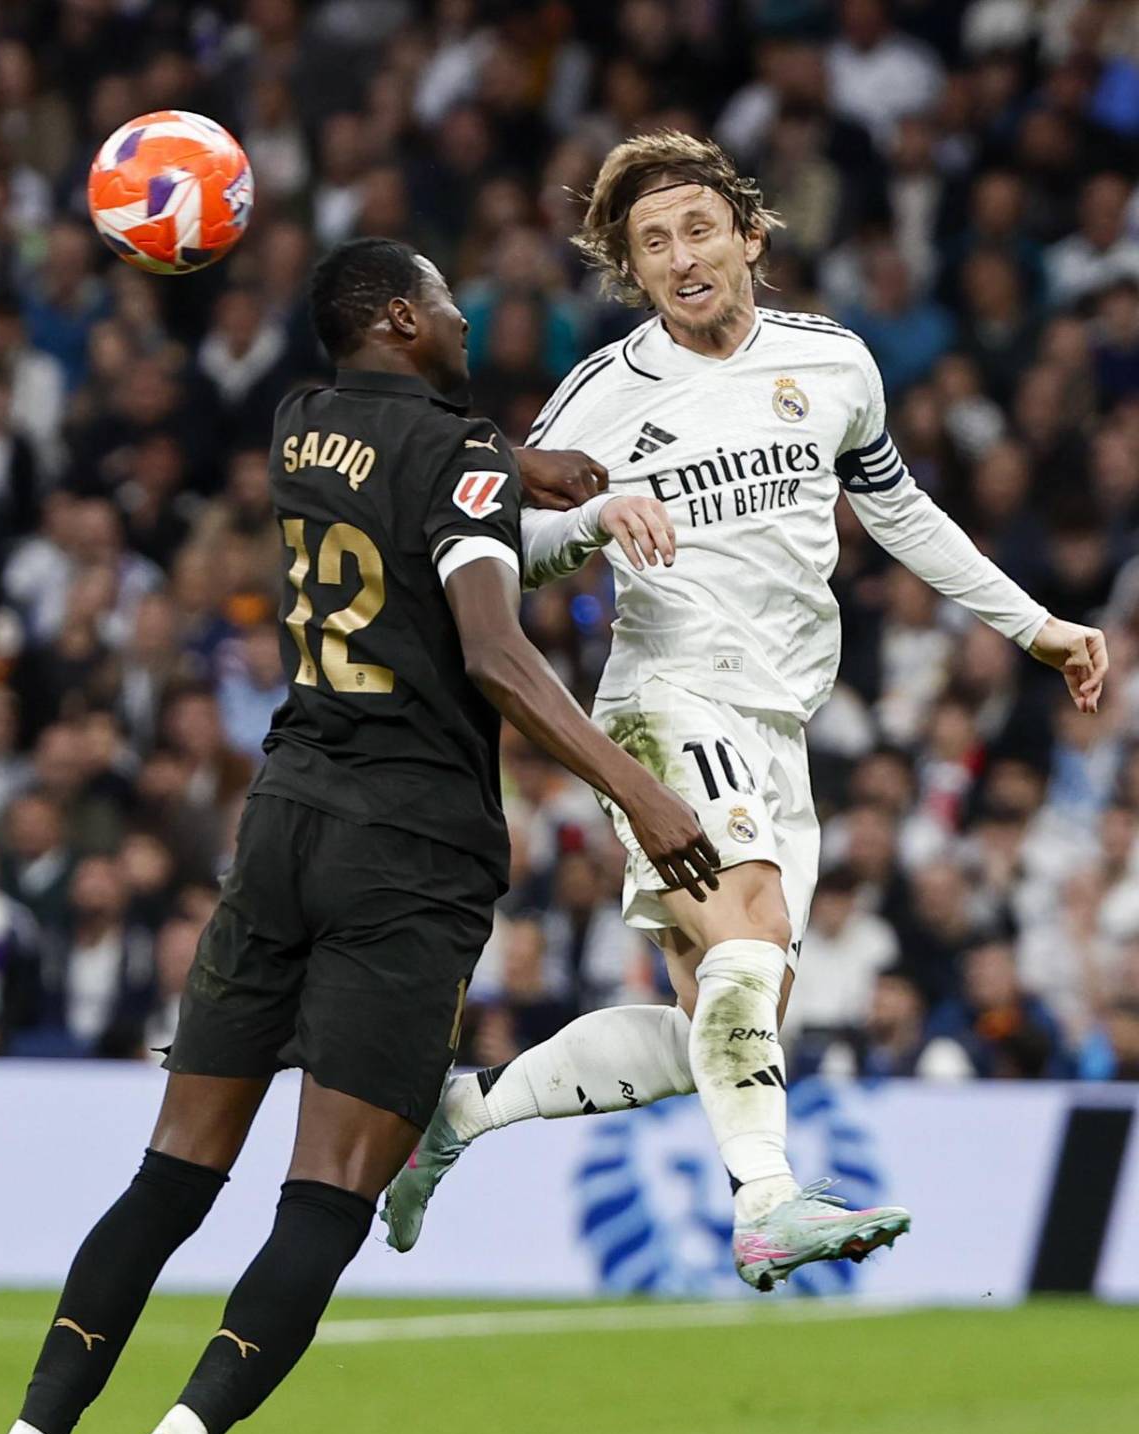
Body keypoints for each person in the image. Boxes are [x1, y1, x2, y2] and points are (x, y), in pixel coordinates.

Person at [0, 236, 719, 1434]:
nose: (465, 319)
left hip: (285, 819)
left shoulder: (300, 423)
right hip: (408, 852)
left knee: (171, 1175)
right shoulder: (458, 449)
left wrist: (532, 473)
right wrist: (642, 794)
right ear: (397, 317)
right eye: (445, 303)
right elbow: (491, 648)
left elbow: (421, 475)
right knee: (327, 1195)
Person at [384, 129, 1108, 1286]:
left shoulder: (833, 364)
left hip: (778, 721)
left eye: (699, 229)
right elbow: (503, 550)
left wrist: (1035, 625)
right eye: (653, 243)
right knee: (750, 930)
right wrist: (593, 520)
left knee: (718, 1022)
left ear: (750, 237)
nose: (681, 257)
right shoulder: (602, 394)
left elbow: (900, 510)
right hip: (665, 696)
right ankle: (765, 1203)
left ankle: (461, 1114)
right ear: (632, 270)